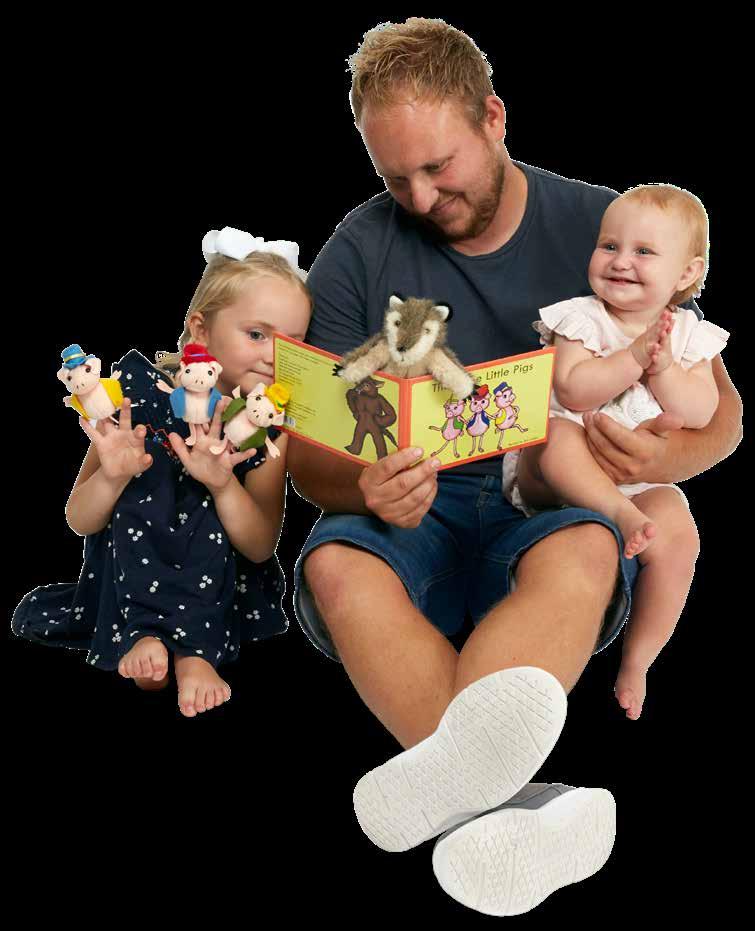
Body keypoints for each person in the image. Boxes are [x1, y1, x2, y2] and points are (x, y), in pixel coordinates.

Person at [285, 18, 742, 913]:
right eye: (395, 177)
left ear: (492, 118)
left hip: (550, 492)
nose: (420, 197)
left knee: (586, 548)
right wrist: (362, 482)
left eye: (438, 166)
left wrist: (664, 453)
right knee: (335, 564)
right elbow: (307, 455)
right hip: (407, 501)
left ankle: (463, 799)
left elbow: (721, 414)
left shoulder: (608, 228)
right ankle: (518, 812)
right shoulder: (359, 244)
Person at [13, 227, 311, 718]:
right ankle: (141, 634)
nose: (272, 356)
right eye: (257, 335)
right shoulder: (136, 399)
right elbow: (79, 519)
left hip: (220, 594)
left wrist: (222, 484)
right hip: (129, 583)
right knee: (141, 480)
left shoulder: (269, 430)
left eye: (293, 345)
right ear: (200, 330)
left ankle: (195, 652)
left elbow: (259, 546)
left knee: (210, 507)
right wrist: (111, 476)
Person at [507, 184, 729, 721]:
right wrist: (632, 356)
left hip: (639, 481)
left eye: (643, 252)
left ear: (686, 274)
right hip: (561, 472)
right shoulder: (580, 319)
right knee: (554, 435)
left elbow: (702, 411)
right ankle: (617, 514)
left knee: (680, 536)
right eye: (609, 246)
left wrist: (664, 370)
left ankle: (638, 660)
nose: (620, 261)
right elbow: (574, 391)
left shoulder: (690, 335)